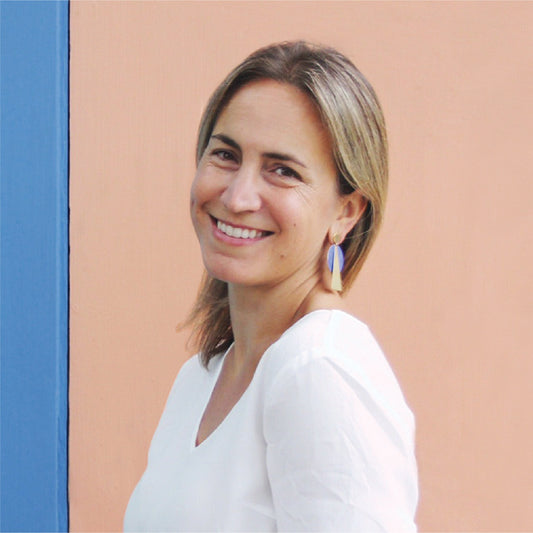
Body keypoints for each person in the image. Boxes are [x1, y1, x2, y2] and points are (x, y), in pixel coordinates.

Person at [124, 41, 418, 532]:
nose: (238, 196)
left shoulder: (320, 369)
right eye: (226, 155)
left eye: (283, 170)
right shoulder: (201, 377)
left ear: (346, 212)